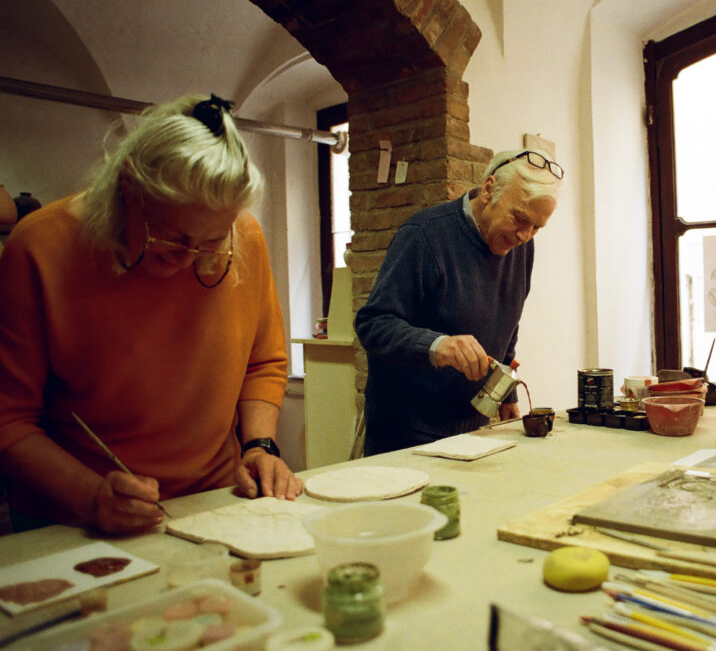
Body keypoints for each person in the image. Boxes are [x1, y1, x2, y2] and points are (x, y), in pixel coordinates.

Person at [0, 94, 302, 535]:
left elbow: (262, 363)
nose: (189, 258)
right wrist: (90, 496)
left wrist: (259, 446)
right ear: (128, 186)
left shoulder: (244, 237)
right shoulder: (40, 247)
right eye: (171, 237)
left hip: (213, 499)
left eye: (211, 242)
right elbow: (9, 419)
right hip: (73, 518)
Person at [355, 149, 562, 455]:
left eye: (536, 227)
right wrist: (438, 346)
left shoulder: (521, 247)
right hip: (405, 434)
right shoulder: (424, 236)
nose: (525, 235)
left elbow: (508, 325)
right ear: (489, 189)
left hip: (470, 432)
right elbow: (373, 325)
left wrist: (506, 394)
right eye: (519, 218)